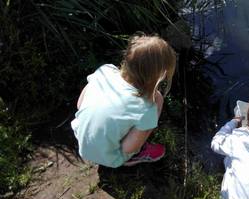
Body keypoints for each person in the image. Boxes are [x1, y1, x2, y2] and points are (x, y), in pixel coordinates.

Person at [71, 34, 176, 168]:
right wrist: (147, 127)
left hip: (81, 138)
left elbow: (80, 104)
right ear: (157, 77)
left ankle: (109, 137)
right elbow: (128, 148)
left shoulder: (105, 71)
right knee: (158, 101)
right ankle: (136, 155)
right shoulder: (146, 107)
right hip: (108, 157)